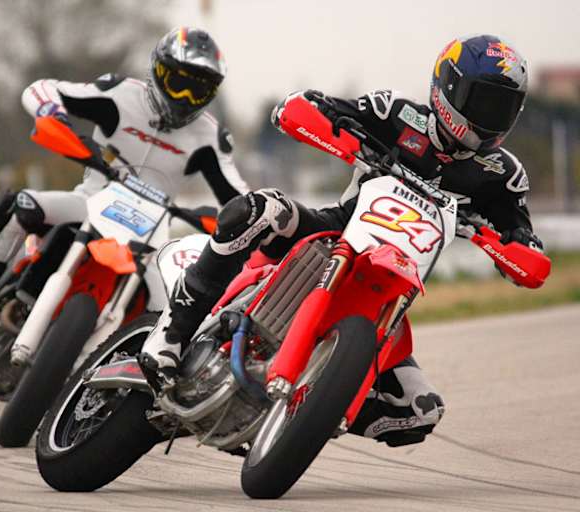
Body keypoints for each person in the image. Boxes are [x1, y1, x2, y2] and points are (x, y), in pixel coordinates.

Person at [141, 34, 544, 446]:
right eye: (485, 101)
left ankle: (306, 411)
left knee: (419, 410)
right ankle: (172, 333)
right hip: (334, 231)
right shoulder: (397, 112)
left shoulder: (503, 175)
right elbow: (309, 106)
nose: (492, 116)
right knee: (258, 210)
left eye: (505, 106)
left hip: (394, 282)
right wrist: (320, 122)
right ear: (450, 87)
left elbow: (523, 238)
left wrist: (520, 252)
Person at [0, 27, 249, 355]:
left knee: (166, 310)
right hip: (90, 201)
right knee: (19, 206)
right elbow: (42, 89)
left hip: (149, 238)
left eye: (197, 92)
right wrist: (53, 114)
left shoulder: (210, 136)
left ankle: (114, 383)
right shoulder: (121, 93)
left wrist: (243, 219)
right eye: (179, 84)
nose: (184, 99)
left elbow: (240, 197)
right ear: (158, 71)